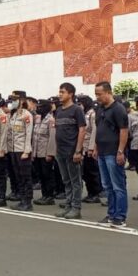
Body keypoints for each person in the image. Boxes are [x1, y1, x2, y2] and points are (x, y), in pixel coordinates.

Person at [92, 81, 129, 227]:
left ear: (108, 92)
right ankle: (111, 214)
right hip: (102, 152)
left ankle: (120, 216)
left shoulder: (118, 109)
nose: (97, 97)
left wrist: (120, 151)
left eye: (99, 94)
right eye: (96, 94)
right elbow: (98, 129)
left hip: (113, 153)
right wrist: (95, 147)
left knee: (118, 185)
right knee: (107, 185)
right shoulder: (100, 109)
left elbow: (124, 131)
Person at [53, 83, 86, 219]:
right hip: (60, 151)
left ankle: (76, 208)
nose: (60, 94)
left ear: (70, 94)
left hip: (72, 151)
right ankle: (68, 205)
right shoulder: (59, 110)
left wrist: (78, 151)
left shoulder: (76, 110)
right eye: (59, 92)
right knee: (66, 180)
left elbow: (82, 130)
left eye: (63, 92)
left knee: (75, 181)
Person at [7, 91, 34, 211]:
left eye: (15, 99)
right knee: (18, 176)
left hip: (22, 150)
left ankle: (27, 202)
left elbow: (29, 134)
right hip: (13, 150)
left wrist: (26, 151)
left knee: (25, 177)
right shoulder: (14, 115)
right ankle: (22, 199)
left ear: (21, 101)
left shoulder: (26, 115)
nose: (12, 102)